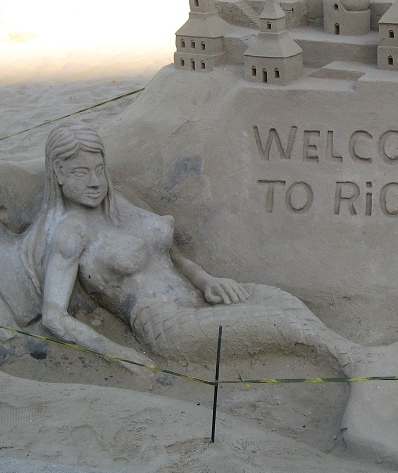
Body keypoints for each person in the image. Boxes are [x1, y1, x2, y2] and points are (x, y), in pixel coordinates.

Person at [22, 124, 358, 374]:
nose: (95, 182)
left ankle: (353, 357)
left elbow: (165, 253)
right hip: (166, 323)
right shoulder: (71, 233)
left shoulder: (116, 204)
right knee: (278, 323)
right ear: (59, 173)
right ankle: (355, 362)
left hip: (199, 296)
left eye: (99, 170)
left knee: (282, 301)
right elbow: (54, 317)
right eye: (81, 173)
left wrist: (204, 279)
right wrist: (121, 355)